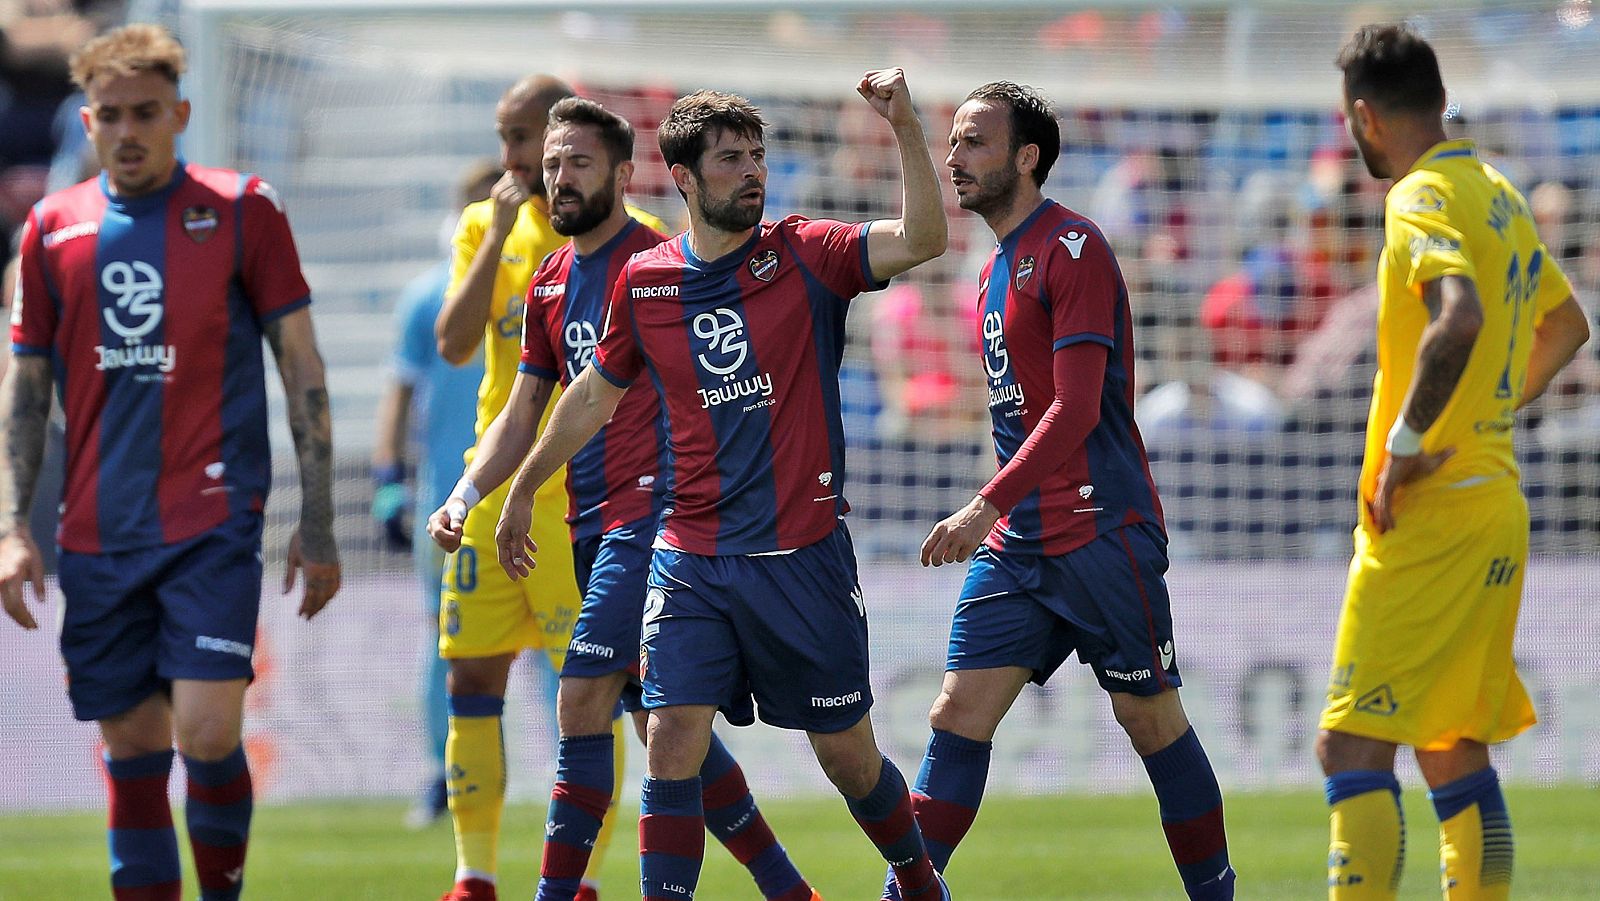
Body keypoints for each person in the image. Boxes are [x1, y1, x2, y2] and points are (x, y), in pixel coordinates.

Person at [473, 72, 951, 900]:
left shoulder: (808, 253)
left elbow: (923, 238)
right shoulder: (647, 281)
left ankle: (917, 878)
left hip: (801, 558)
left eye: (758, 156)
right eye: (732, 159)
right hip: (690, 556)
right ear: (685, 178)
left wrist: (907, 128)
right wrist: (521, 487)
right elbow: (591, 395)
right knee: (669, 736)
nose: (753, 171)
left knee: (847, 757)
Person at [429, 96, 821, 901]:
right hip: (591, 517)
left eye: (577, 162)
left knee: (583, 697)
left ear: (620, 172)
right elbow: (525, 408)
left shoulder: (661, 262)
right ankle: (788, 888)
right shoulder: (549, 281)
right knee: (661, 724)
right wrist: (469, 493)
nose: (558, 178)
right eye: (551, 165)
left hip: (658, 517)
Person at [0, 24, 339, 901]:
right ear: (87, 122)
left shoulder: (242, 208)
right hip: (97, 532)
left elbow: (302, 368)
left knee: (208, 728)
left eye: (146, 112)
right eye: (111, 115)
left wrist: (319, 519)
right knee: (133, 746)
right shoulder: (50, 230)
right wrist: (11, 527)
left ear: (180, 114)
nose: (128, 131)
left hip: (212, 521)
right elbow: (25, 388)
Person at [910, 82, 1235, 900]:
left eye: (974, 141)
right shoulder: (991, 269)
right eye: (953, 141)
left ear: (1027, 157)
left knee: (1148, 717)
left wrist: (985, 501)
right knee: (956, 713)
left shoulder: (1074, 246)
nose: (955, 156)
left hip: (1100, 531)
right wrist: (1001, 509)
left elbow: (1078, 406)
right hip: (1020, 543)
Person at [1319, 25, 1591, 900]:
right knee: (1449, 745)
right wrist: (1487, 413)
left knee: (1351, 742)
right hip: (1493, 496)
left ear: (1366, 115)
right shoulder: (1498, 191)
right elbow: (1567, 326)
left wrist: (1405, 448)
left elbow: (1459, 317)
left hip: (1430, 511)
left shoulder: (1420, 195)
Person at [430, 74, 661, 901]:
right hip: (497, 486)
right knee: (470, 679)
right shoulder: (488, 230)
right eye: (508, 139)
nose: (515, 157)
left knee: (605, 692)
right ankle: (474, 874)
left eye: (525, 138)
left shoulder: (642, 244)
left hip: (595, 504)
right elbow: (455, 345)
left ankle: (585, 880)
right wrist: (496, 232)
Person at [371, 159, 499, 829]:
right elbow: (399, 393)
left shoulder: (541, 282)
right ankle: (442, 774)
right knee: (446, 641)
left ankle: (567, 773)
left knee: (558, 642)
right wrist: (387, 481)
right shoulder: (428, 298)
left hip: (533, 492)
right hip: (447, 500)